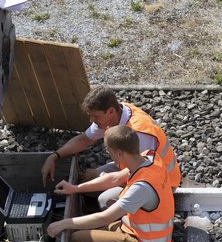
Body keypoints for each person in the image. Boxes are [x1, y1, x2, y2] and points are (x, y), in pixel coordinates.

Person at [47, 125, 173, 242]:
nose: (107, 153)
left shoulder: (141, 188)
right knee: (97, 233)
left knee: (77, 241)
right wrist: (75, 188)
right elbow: (114, 179)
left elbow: (105, 217)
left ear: (120, 152)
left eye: (109, 150)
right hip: (146, 234)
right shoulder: (148, 157)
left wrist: (64, 223)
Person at [40, 86, 180, 209]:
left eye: (95, 117)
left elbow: (139, 173)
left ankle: (122, 227)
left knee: (105, 200)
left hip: (160, 182)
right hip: (130, 167)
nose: (92, 121)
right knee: (85, 182)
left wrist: (100, 176)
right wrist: (54, 156)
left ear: (111, 111)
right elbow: (84, 139)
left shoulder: (139, 133)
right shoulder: (115, 114)